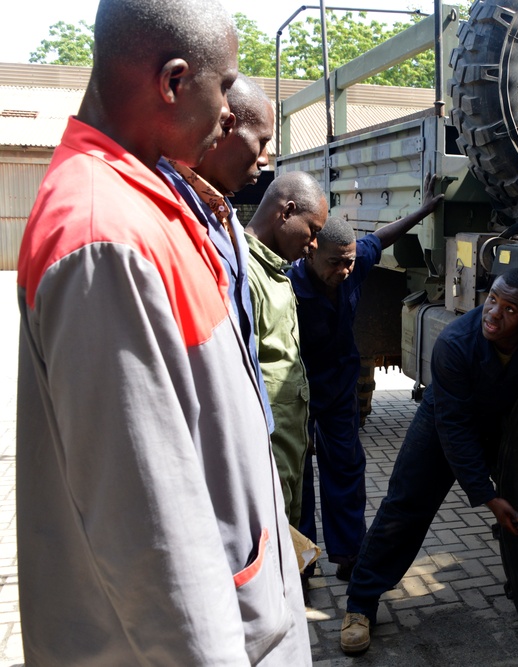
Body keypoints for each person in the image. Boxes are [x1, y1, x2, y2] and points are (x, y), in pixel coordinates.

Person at [15, 0, 309, 664]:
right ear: (173, 82)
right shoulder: (102, 237)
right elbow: (153, 546)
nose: (231, 112)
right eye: (225, 85)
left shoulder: (150, 196)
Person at [340, 268, 518, 655]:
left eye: (509, 308)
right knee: (405, 506)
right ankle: (360, 603)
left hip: (503, 418)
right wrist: (486, 495)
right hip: (447, 419)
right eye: (492, 299)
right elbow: (455, 431)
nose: (493, 313)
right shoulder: (454, 344)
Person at [289, 178, 443, 582]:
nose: (345, 270)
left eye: (350, 261)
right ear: (311, 254)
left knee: (346, 469)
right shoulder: (288, 284)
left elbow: (381, 237)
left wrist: (424, 210)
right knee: (298, 475)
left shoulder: (353, 265)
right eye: (336, 263)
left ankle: (347, 553)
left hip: (339, 387)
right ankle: (302, 559)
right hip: (299, 392)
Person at [158, 73, 276, 432]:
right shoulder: (171, 213)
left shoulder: (222, 212)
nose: (265, 159)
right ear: (226, 128)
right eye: (261, 141)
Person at [245, 171, 327, 535]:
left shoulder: (274, 272)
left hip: (287, 453)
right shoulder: (244, 275)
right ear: (286, 211)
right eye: (311, 231)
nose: (313, 245)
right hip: (265, 458)